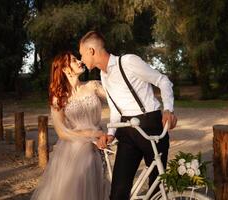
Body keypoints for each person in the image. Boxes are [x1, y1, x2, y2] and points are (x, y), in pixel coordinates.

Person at [79, 31, 177, 200]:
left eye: (81, 54)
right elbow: (116, 109)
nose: (81, 59)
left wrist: (168, 109)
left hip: (150, 125)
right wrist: (111, 134)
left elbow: (163, 80)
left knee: (157, 190)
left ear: (91, 51)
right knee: (118, 192)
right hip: (126, 131)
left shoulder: (128, 61)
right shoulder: (103, 75)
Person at [31, 51, 110, 200]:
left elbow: (116, 99)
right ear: (65, 69)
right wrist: (91, 134)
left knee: (97, 187)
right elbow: (61, 132)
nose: (80, 61)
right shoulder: (58, 97)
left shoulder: (93, 86)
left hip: (97, 146)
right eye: (74, 60)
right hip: (74, 151)